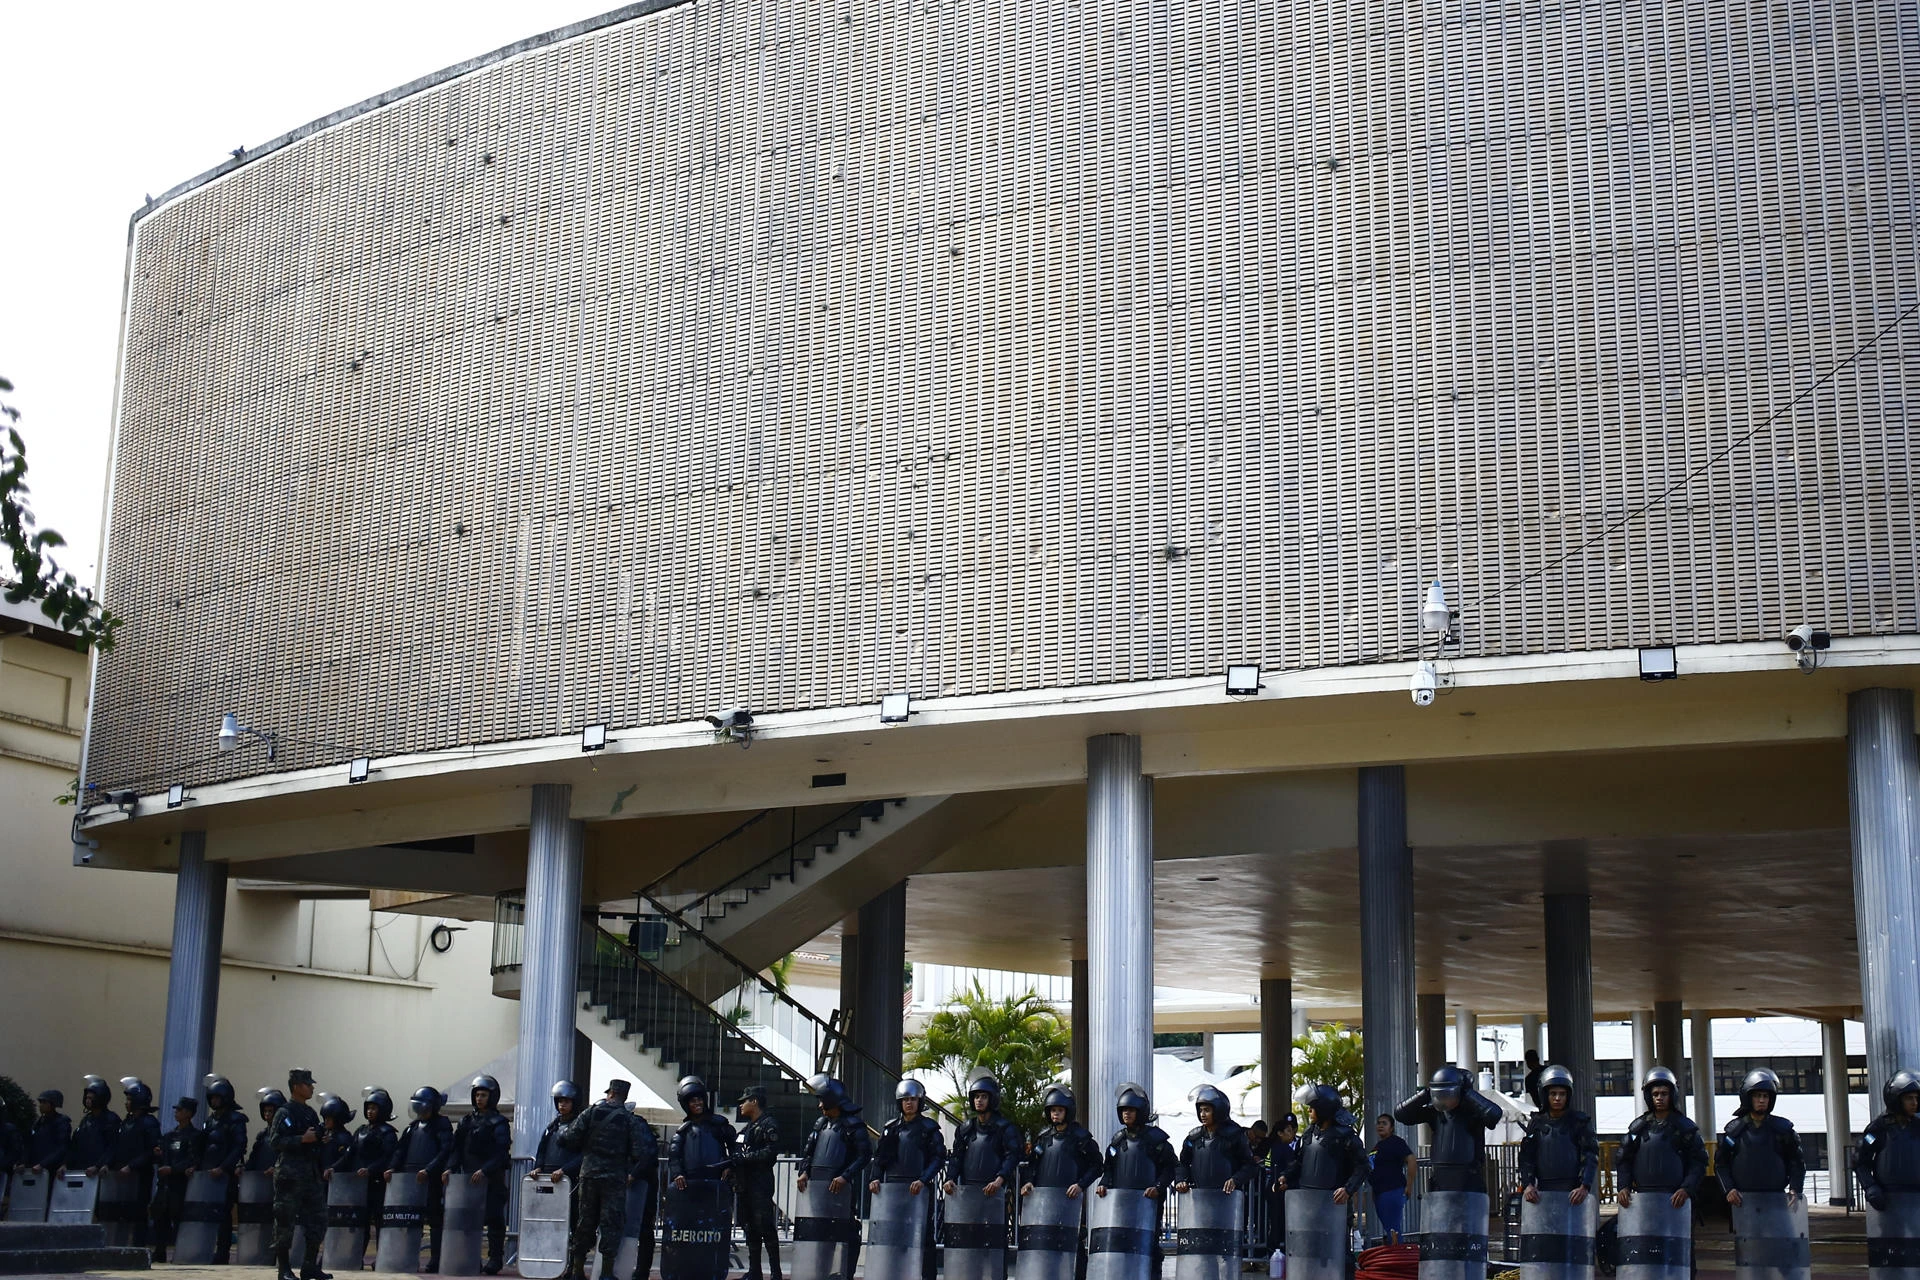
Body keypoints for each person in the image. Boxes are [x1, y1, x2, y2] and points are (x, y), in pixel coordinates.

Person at [559, 1079, 650, 1280]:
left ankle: (577, 1270)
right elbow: (638, 1152)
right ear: (624, 1097)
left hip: (589, 1175)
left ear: (610, 1094)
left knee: (585, 1222)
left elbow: (569, 1137)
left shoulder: (590, 1113)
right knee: (611, 1224)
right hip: (614, 1179)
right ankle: (606, 1274)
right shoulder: (629, 1120)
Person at [1096, 1083, 1179, 1274]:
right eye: (1124, 1110)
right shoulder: (1118, 1141)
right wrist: (1103, 1184)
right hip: (1121, 1205)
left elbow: (1171, 1167)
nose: (1127, 1114)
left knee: (1149, 1246)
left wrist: (1158, 1187)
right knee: (1121, 1245)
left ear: (1141, 1111)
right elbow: (1108, 1169)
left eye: (1132, 1110)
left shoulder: (1156, 1140)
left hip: (1148, 1204)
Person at [870, 1078, 945, 1280]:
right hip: (892, 1191)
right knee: (893, 1235)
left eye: (913, 1099)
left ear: (920, 1101)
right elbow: (880, 1158)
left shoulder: (929, 1129)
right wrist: (875, 1178)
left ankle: (927, 1276)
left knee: (924, 1236)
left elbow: (938, 1157)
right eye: (905, 1099)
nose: (909, 1103)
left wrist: (923, 1180)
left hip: (918, 1190)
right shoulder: (891, 1128)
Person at [798, 1075, 871, 1280]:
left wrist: (845, 1177)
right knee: (821, 1236)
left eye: (823, 1100)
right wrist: (804, 1171)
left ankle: (846, 1275)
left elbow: (864, 1155)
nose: (820, 1105)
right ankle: (821, 1274)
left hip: (842, 1192)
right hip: (818, 1191)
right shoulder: (821, 1124)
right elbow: (809, 1153)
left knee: (846, 1235)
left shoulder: (854, 1125)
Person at [444, 1074, 512, 1275]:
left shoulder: (499, 1122)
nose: (479, 1099)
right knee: (467, 1220)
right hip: (468, 1179)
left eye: (483, 1095)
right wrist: (450, 1167)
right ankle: (468, 1257)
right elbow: (457, 1147)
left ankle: (495, 1259)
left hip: (491, 1178)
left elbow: (501, 1152)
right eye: (477, 1095)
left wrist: (485, 1170)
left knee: (494, 1220)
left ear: (492, 1097)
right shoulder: (466, 1120)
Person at [1394, 1066, 1502, 1191]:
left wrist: (1468, 1094)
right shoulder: (1435, 1113)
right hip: (1440, 1177)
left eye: (1447, 1093)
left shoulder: (1472, 1112)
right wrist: (1424, 1095)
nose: (1443, 1099)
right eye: (1439, 1094)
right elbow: (1401, 1114)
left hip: (1469, 1176)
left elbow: (1494, 1115)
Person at [1616, 1067, 1707, 1209]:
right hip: (1642, 1200)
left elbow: (1699, 1163)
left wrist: (1686, 1189)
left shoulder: (1685, 1128)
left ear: (1672, 1095)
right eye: (1655, 1094)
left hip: (1676, 1200)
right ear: (1649, 1096)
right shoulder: (1637, 1129)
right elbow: (1623, 1159)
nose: (1659, 1098)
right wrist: (1623, 1186)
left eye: (1664, 1093)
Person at [272, 1067, 332, 1280]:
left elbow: (313, 1139)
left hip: (310, 1174)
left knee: (318, 1218)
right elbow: (276, 1141)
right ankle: (284, 1269)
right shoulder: (284, 1112)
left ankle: (309, 1265)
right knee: (285, 1221)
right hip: (290, 1174)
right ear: (296, 1087)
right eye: (308, 1084)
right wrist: (301, 1139)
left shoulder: (310, 1113)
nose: (312, 1087)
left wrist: (319, 1140)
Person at [387, 1086, 454, 1272]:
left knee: (434, 1220)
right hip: (411, 1179)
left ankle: (435, 1259)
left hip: (431, 1179)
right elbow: (400, 1150)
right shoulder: (413, 1127)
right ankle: (405, 1257)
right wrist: (392, 1167)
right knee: (408, 1219)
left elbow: (445, 1150)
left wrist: (429, 1169)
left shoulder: (441, 1125)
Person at [1517, 1065, 1597, 1217]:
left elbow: (1590, 1156)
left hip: (1573, 1193)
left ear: (1568, 1096)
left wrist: (1584, 1186)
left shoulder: (1579, 1122)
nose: (1557, 1098)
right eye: (1553, 1094)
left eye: (1562, 1094)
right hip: (1543, 1193)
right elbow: (1527, 1158)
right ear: (1545, 1095)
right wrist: (1527, 1185)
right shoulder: (1536, 1123)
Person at [1718, 1068, 1804, 1206]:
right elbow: (1721, 1164)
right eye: (1757, 1096)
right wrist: (1729, 1189)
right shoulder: (1734, 1132)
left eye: (1765, 1096)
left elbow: (1797, 1163)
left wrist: (1795, 1189)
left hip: (1777, 1200)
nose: (1762, 1100)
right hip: (1743, 1202)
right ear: (1748, 1097)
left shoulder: (1783, 1130)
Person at [201, 1076, 252, 1266]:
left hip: (226, 1174)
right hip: (208, 1174)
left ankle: (222, 1252)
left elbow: (239, 1146)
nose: (214, 1101)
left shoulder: (236, 1119)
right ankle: (207, 1249)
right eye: (211, 1098)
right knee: (208, 1212)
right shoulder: (210, 1120)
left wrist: (223, 1167)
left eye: (217, 1097)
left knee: (224, 1213)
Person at [945, 1073, 1024, 1194]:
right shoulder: (966, 1129)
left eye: (983, 1097)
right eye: (976, 1097)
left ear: (992, 1099)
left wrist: (999, 1179)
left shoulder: (1005, 1128)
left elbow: (1012, 1156)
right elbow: (956, 1156)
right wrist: (950, 1178)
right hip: (968, 1191)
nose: (979, 1100)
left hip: (995, 1191)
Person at [1175, 1084, 1259, 1194]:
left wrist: (1235, 1180)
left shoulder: (1234, 1136)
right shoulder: (1194, 1138)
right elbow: (1183, 1163)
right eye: (1200, 1110)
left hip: (1228, 1199)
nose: (1203, 1114)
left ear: (1218, 1110)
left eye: (1207, 1110)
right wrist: (1181, 1180)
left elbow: (1250, 1165)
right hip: (1199, 1199)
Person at [736, 1085, 783, 1280]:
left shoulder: (768, 1124)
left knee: (765, 1226)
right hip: (745, 1182)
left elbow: (770, 1153)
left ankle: (775, 1273)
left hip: (760, 1182)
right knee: (750, 1227)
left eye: (744, 1101)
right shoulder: (747, 1128)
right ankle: (754, 1270)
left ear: (754, 1101)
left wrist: (746, 1158)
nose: (741, 1105)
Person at [1857, 1070, 1920, 1210]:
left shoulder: (1918, 1127)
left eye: (1916, 1098)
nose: (1914, 1103)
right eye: (1909, 1098)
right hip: (1889, 1201)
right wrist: (1871, 1187)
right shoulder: (1878, 1128)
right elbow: (1861, 1163)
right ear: (1897, 1099)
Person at [152, 1097, 205, 1263]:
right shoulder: (169, 1136)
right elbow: (163, 1157)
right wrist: (159, 1156)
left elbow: (194, 1159)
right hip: (166, 1184)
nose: (177, 1113)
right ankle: (159, 1252)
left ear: (189, 1113)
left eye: (180, 1110)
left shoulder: (195, 1136)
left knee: (180, 1219)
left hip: (181, 1184)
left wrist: (174, 1169)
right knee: (160, 1218)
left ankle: (181, 1254)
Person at [347, 1089, 398, 1257]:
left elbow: (387, 1157)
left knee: (380, 1222)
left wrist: (371, 1170)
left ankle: (382, 1258)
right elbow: (351, 1153)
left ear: (382, 1110)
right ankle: (357, 1257)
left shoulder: (388, 1133)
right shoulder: (361, 1130)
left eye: (374, 1108)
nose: (370, 1111)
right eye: (368, 1107)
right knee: (360, 1222)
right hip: (360, 1184)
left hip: (378, 1183)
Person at [667, 1076, 737, 1189]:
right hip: (691, 1183)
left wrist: (729, 1167)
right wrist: (678, 1174)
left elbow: (734, 1146)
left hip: (717, 1180)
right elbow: (674, 1156)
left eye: (699, 1100)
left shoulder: (719, 1124)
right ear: (687, 1104)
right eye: (693, 1101)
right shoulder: (683, 1131)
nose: (697, 1103)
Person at [1367, 1114, 1417, 1243]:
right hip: (1379, 1193)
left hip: (1392, 1190)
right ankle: (1393, 1256)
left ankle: (1398, 1259)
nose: (1380, 1126)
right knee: (1389, 1229)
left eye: (1384, 1123)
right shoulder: (1377, 1146)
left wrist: (1409, 1186)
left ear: (1391, 1128)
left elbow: (1411, 1160)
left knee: (1393, 1229)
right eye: (1378, 1123)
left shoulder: (1396, 1142)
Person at [69, 1075, 123, 1175]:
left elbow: (113, 1146)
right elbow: (75, 1145)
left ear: (100, 1098)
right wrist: (66, 1164)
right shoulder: (86, 1120)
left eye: (90, 1097)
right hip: (83, 1170)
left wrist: (100, 1165)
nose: (87, 1100)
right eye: (86, 1097)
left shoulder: (111, 1119)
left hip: (99, 1172)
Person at [26, 1088, 72, 1174]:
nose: (41, 1105)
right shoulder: (38, 1123)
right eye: (41, 1102)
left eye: (44, 1102)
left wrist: (43, 1164)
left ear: (53, 1104)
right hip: (35, 1168)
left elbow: (62, 1147)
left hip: (51, 1169)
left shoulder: (61, 1122)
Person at [248, 1090, 286, 1173]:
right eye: (265, 1111)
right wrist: (243, 1168)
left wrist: (276, 1168)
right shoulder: (262, 1135)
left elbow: (289, 1158)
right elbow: (253, 1158)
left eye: (270, 1111)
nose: (267, 1114)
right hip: (261, 1181)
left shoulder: (286, 1135)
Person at [318, 1096, 357, 1176]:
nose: (326, 1121)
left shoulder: (344, 1137)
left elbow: (346, 1157)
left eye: (329, 1118)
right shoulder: (325, 1133)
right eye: (325, 1118)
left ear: (338, 1119)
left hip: (336, 1179)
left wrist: (333, 1168)